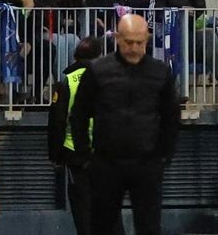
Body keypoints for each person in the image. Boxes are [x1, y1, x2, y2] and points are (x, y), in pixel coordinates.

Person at [70, 14, 181, 235]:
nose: (134, 48)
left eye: (139, 42)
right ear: (118, 39)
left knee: (149, 226)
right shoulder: (98, 70)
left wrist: (163, 156)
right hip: (106, 163)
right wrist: (85, 157)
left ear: (147, 40)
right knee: (102, 227)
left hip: (147, 163)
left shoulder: (160, 72)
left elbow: (171, 118)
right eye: (128, 42)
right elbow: (79, 116)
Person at [47, 36, 103, 235]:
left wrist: (55, 155)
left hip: (76, 154)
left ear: (75, 56)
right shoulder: (106, 78)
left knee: (82, 208)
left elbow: (57, 121)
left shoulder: (67, 82)